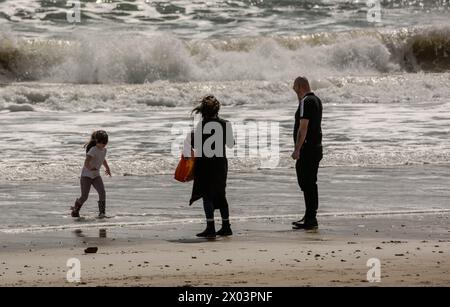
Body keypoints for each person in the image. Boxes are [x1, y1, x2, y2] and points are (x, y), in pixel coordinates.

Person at [189, 95, 234, 238]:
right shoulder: (226, 124)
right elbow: (231, 144)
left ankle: (210, 227)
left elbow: (195, 145)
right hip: (220, 165)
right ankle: (226, 226)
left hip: (205, 165)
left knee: (207, 195)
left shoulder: (202, 126)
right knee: (221, 194)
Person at [291, 77, 323, 230]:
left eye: (295, 89)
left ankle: (311, 218)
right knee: (310, 183)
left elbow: (303, 127)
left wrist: (297, 149)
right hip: (316, 147)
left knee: (306, 183)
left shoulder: (305, 101)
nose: (295, 93)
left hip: (307, 149)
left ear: (300, 86)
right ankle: (310, 215)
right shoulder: (317, 100)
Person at [71, 130, 111, 218]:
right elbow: (86, 162)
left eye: (105, 142)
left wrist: (107, 168)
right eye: (101, 142)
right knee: (84, 196)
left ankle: (102, 213)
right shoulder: (93, 149)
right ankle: (75, 209)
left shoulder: (104, 150)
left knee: (102, 192)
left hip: (96, 176)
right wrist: (90, 168)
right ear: (97, 141)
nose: (103, 144)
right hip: (86, 176)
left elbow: (103, 159)